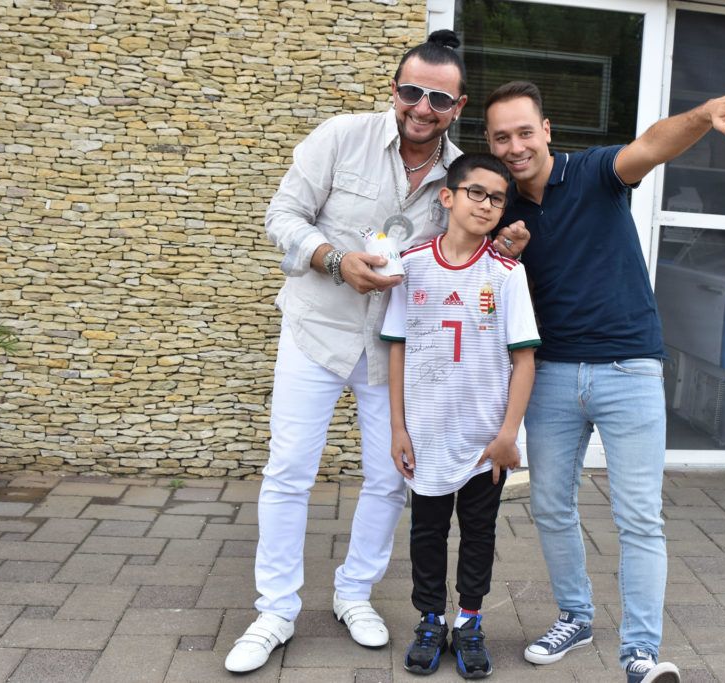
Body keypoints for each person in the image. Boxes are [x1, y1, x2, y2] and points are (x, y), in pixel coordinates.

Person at [224, 31, 528, 674]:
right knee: (290, 470)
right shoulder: (342, 137)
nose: (422, 107)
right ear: (395, 89)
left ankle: (354, 593)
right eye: (412, 91)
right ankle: (275, 610)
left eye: (439, 99)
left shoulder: (460, 175)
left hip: (395, 352)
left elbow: (464, 252)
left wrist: (502, 249)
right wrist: (334, 260)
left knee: (391, 477)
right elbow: (283, 216)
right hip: (317, 330)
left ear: (458, 107)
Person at [483, 70, 725, 683]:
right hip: (552, 374)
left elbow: (652, 144)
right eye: (502, 137)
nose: (515, 146)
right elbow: (480, 286)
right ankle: (576, 616)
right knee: (549, 505)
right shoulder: (501, 209)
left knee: (640, 517)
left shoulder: (592, 172)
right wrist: (505, 255)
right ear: (490, 142)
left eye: (525, 132)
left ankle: (640, 654)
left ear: (546, 130)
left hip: (628, 367)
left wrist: (704, 115)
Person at [382, 152, 539, 678]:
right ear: (448, 196)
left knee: (479, 532)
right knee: (426, 533)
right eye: (477, 192)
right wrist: (398, 427)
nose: (487, 204)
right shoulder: (411, 265)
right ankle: (430, 620)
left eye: (498, 198)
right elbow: (398, 348)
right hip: (427, 433)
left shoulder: (507, 274)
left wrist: (508, 435)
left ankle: (469, 621)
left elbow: (524, 360)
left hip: (484, 439)